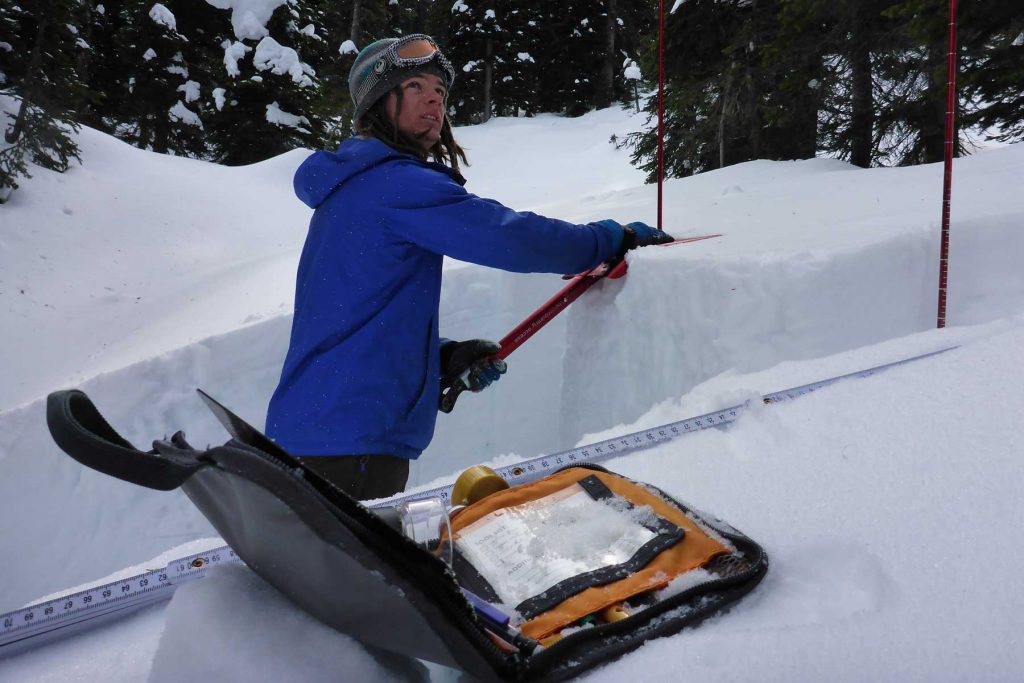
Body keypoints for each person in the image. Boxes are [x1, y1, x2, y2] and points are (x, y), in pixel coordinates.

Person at [266, 34, 673, 500]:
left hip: (315, 429)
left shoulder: (347, 193)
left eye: (440, 90)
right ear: (379, 102)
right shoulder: (394, 185)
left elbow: (349, 314)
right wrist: (607, 239)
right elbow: (508, 237)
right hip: (352, 436)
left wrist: (437, 357)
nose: (435, 99)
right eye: (416, 86)